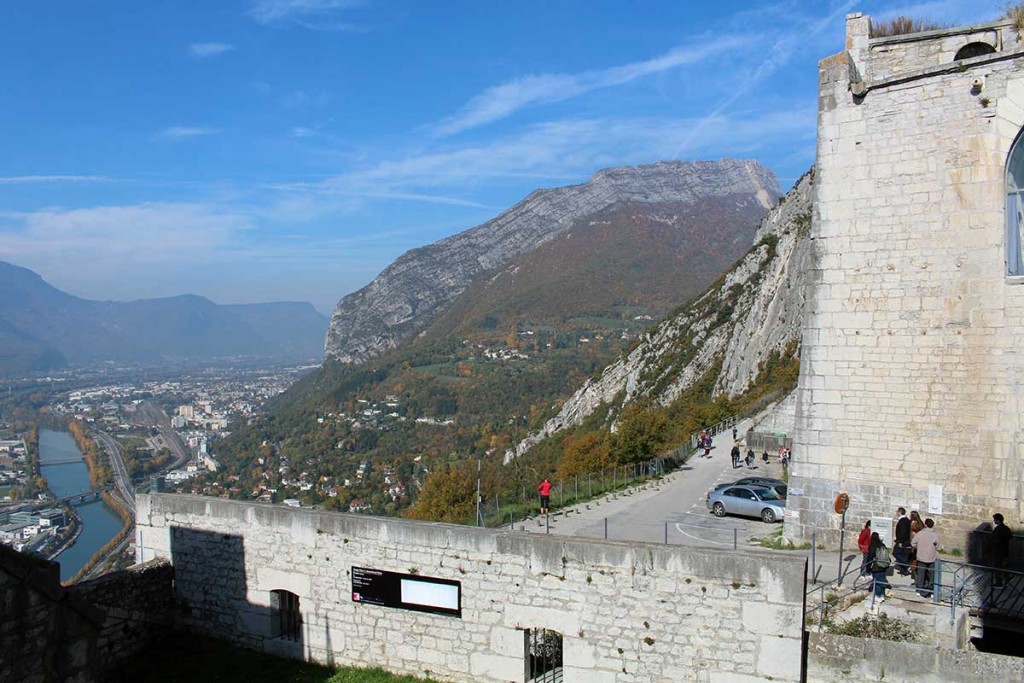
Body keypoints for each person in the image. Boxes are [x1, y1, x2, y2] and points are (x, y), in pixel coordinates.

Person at [912, 518, 939, 597]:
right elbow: (938, 546)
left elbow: (913, 543)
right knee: (932, 575)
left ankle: (919, 590)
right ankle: (932, 591)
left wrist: (919, 547)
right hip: (931, 557)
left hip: (921, 557)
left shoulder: (920, 533)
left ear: (926, 525)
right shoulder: (935, 534)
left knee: (921, 574)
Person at [868, 531, 891, 603]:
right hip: (884, 565)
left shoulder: (873, 546)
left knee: (877, 581)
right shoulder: (882, 544)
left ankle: (878, 596)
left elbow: (870, 558)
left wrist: (868, 568)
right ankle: (882, 595)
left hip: (877, 566)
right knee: (882, 579)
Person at [991, 513, 1013, 587]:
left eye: (994, 519)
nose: (994, 521)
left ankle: (999, 583)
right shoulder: (1006, 528)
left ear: (998, 520)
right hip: (1005, 550)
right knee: (1002, 566)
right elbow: (1010, 536)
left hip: (998, 551)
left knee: (998, 567)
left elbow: (995, 540)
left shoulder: (998, 529)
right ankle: (1007, 577)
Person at [894, 507, 912, 576]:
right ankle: (904, 570)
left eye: (897, 511)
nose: (896, 513)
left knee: (896, 553)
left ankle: (907, 566)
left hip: (902, 540)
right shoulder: (906, 520)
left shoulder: (902, 521)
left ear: (900, 512)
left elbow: (902, 531)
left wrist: (900, 541)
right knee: (903, 555)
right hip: (906, 540)